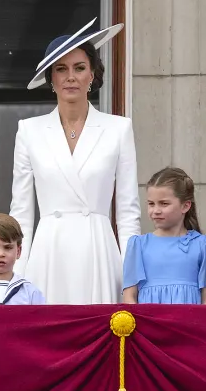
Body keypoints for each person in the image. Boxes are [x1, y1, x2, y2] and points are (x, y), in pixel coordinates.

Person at [10, 18, 141, 304]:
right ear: (51, 78)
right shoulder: (29, 131)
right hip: (49, 252)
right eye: (61, 69)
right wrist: (17, 276)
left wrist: (130, 276)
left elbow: (129, 213)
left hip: (98, 250)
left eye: (79, 68)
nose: (70, 77)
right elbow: (21, 213)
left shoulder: (119, 129)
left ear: (92, 74)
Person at [122, 168, 206, 305]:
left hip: (188, 323)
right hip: (149, 323)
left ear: (185, 206)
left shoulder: (203, 245)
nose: (156, 211)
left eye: (164, 203)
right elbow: (129, 297)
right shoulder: (138, 245)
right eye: (151, 204)